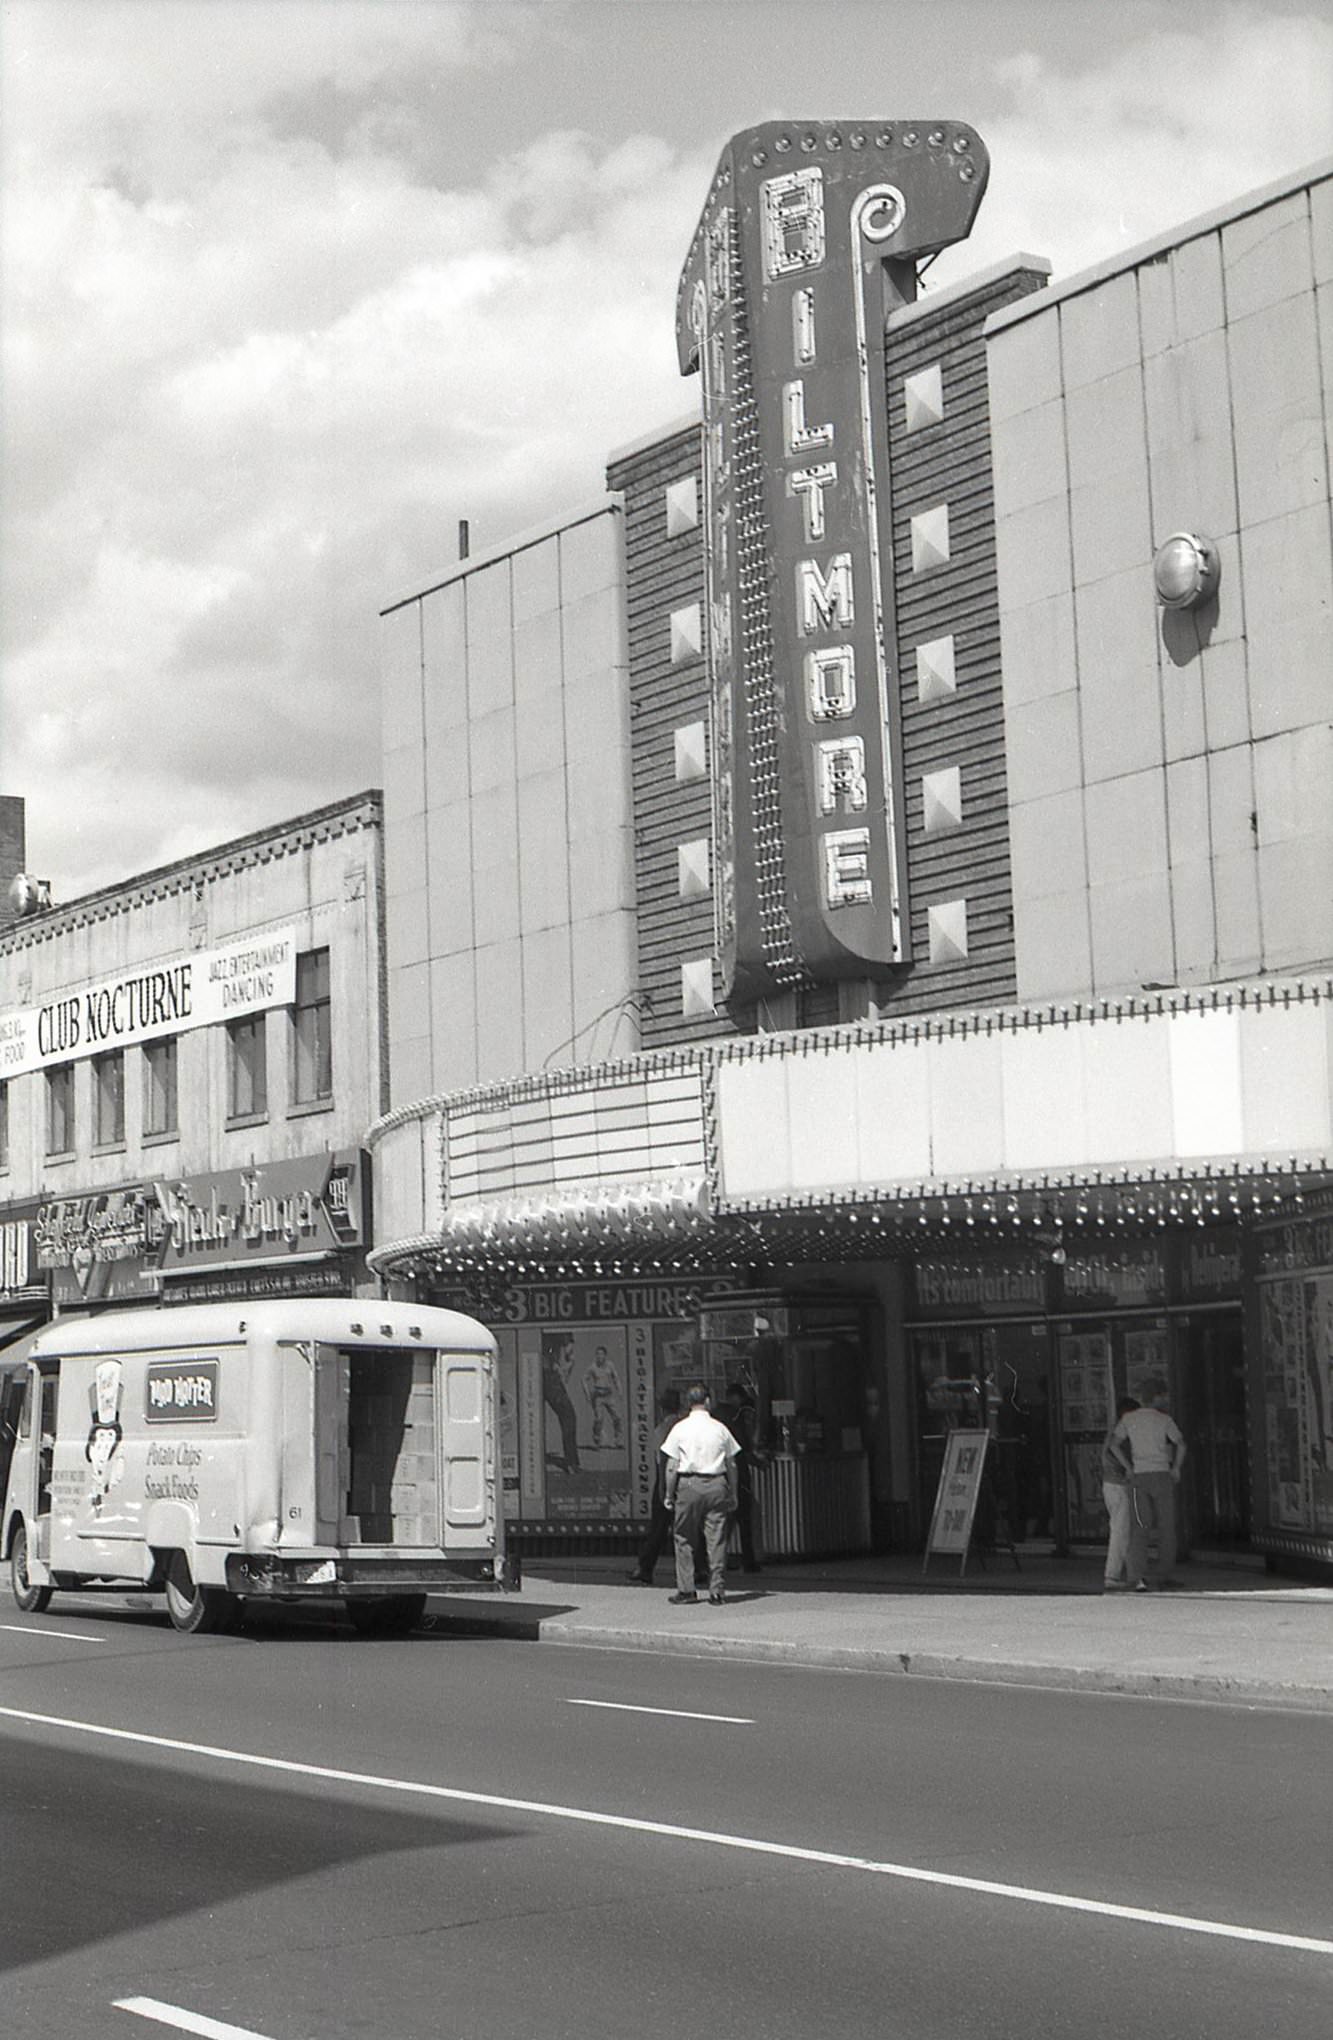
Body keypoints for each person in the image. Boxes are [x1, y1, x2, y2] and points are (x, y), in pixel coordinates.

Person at [661, 1384, 739, 1605]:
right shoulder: (720, 1429)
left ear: (689, 1403)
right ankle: (717, 1591)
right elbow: (731, 1464)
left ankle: (687, 1590)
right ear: (708, 1401)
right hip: (717, 1485)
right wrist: (733, 1492)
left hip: (689, 1485)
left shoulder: (679, 1428)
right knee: (717, 1539)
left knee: (684, 1537)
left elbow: (671, 1465)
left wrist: (669, 1493)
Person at [1108, 1385, 1187, 1589]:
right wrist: (1176, 1468)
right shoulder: (1164, 1420)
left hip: (1139, 1478)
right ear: (1157, 1397)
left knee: (1140, 1527)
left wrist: (1128, 1467)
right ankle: (1163, 1574)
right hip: (1162, 1476)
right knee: (1167, 1527)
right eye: (1163, 1396)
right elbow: (1181, 1444)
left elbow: (1114, 1445)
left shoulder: (1129, 1419)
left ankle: (1136, 1576)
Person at [626, 1388, 681, 1586]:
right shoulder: (683, 1426)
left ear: (661, 1408)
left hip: (665, 1478)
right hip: (685, 1478)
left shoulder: (660, 1430)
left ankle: (645, 1567)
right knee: (688, 1526)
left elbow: (662, 1460)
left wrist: (662, 1489)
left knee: (658, 1527)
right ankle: (699, 1569)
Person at [717, 1381, 763, 1573]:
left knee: (725, 1521)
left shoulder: (722, 1417)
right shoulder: (737, 1418)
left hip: (722, 1473)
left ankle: (720, 1559)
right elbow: (743, 1446)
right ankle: (748, 1560)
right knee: (743, 1517)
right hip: (738, 1472)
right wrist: (757, 1461)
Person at [1100, 1396, 1140, 1591]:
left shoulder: (1114, 1429)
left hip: (1110, 1484)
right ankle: (1112, 1575)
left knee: (1123, 1529)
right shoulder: (1122, 1431)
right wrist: (1129, 1468)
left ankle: (1133, 1574)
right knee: (1121, 1530)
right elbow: (1114, 1451)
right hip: (1119, 1484)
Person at [541, 1335, 581, 1474]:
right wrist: (564, 1374)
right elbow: (571, 1356)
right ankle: (571, 1462)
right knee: (568, 1416)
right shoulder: (564, 1334)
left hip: (530, 1369)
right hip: (549, 1375)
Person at [582, 1344, 624, 1450]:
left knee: (617, 1417)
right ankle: (597, 1440)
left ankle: (618, 1440)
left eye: (602, 1354)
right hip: (598, 1396)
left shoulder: (610, 1365)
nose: (599, 1357)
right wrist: (587, 1393)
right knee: (599, 1419)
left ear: (605, 1356)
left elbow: (616, 1378)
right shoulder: (593, 1367)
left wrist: (620, 1390)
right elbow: (583, 1379)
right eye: (598, 1354)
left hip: (609, 1395)